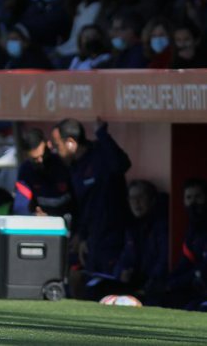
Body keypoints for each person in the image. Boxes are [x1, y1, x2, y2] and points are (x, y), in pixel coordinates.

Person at [50, 118, 132, 299]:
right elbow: (83, 206)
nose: (55, 151)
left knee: (109, 290)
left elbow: (123, 165)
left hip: (114, 236)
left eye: (57, 146)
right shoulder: (74, 168)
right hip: (93, 239)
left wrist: (102, 134)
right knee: (86, 286)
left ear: (71, 143)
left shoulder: (101, 154)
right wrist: (82, 235)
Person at [13, 127, 75, 226]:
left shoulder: (63, 163)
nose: (41, 160)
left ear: (48, 145)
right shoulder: (25, 170)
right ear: (27, 156)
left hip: (70, 221)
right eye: (35, 159)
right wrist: (33, 216)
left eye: (43, 155)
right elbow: (21, 206)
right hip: (42, 224)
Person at [164, 178, 207, 310]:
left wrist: (176, 283)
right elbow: (186, 261)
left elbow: (203, 269)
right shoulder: (193, 229)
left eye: (198, 197)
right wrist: (167, 283)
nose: (193, 202)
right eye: (189, 197)